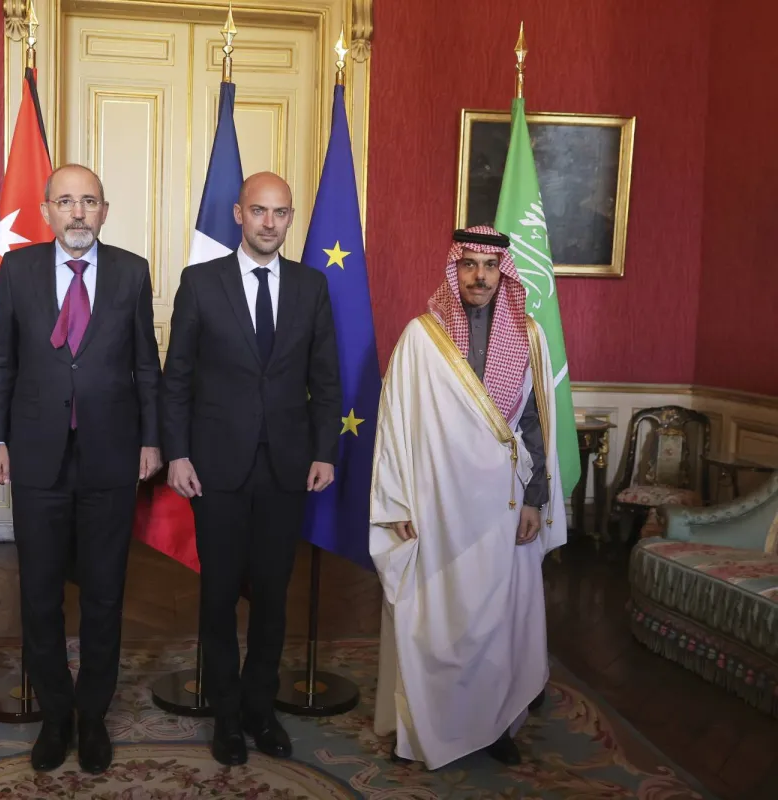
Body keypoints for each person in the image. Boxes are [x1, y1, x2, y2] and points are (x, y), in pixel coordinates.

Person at [0, 164, 162, 774]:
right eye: (66, 201)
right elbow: (0, 362)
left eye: (89, 201)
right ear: (46, 211)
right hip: (36, 454)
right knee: (39, 595)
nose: (78, 212)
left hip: (112, 453)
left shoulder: (132, 271)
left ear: (105, 211)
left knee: (105, 595)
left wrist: (152, 440)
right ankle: (56, 714)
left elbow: (146, 365)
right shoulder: (18, 269)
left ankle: (92, 716)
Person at [368, 225, 567, 769]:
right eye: (469, 264)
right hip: (436, 505)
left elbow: (536, 426)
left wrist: (535, 499)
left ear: (504, 272)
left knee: (497, 618)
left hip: (503, 505)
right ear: (454, 269)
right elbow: (394, 426)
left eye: (490, 265)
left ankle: (495, 724)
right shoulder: (422, 337)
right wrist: (397, 503)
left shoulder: (528, 336)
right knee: (433, 615)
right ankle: (422, 729)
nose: (479, 276)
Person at [162, 172, 342, 766]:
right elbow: (177, 376)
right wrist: (177, 453)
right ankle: (226, 717)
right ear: (239, 214)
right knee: (218, 596)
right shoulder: (200, 282)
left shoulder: (312, 286)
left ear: (290, 219)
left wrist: (324, 451)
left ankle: (260, 710)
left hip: (288, 467)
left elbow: (326, 377)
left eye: (280, 212)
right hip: (215, 467)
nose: (269, 222)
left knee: (271, 596)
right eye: (259, 211)